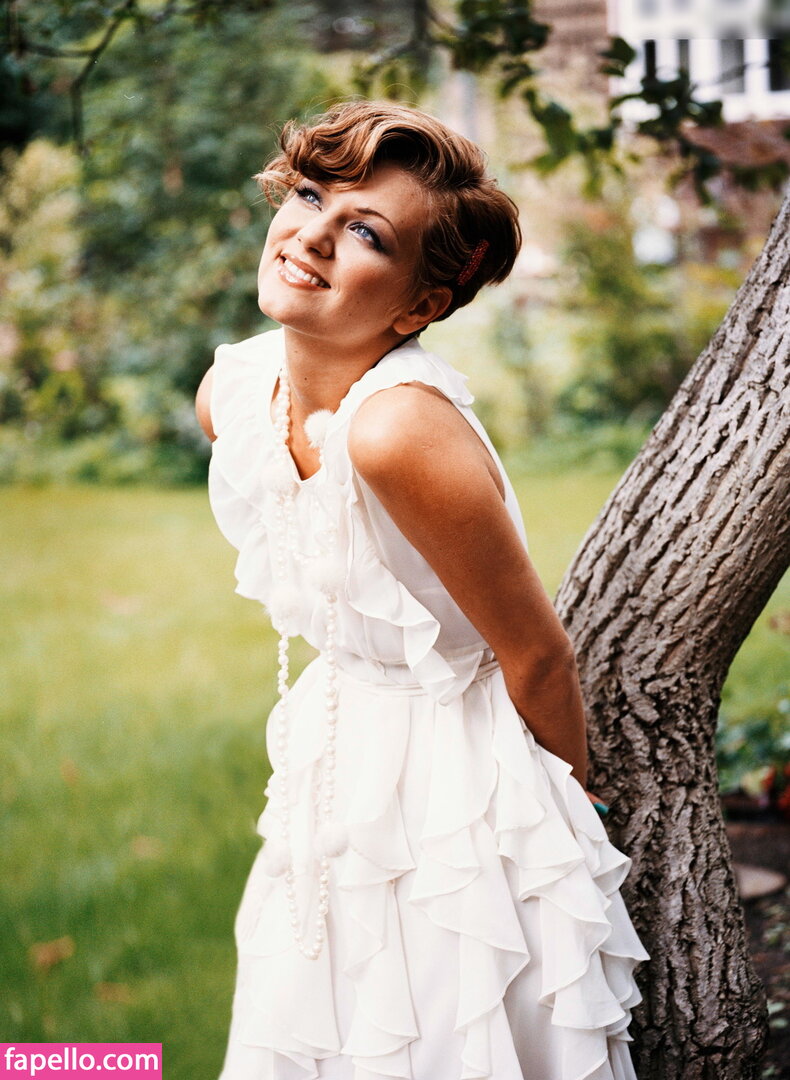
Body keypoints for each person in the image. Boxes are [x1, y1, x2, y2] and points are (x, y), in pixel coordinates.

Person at [196, 99, 650, 1080]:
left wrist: (571, 814)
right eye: (309, 196)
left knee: (445, 1029)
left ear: (417, 307)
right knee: (319, 1016)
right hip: (335, 747)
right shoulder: (231, 393)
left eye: (365, 232)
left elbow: (536, 653)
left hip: (457, 770)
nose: (311, 234)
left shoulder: (397, 430)